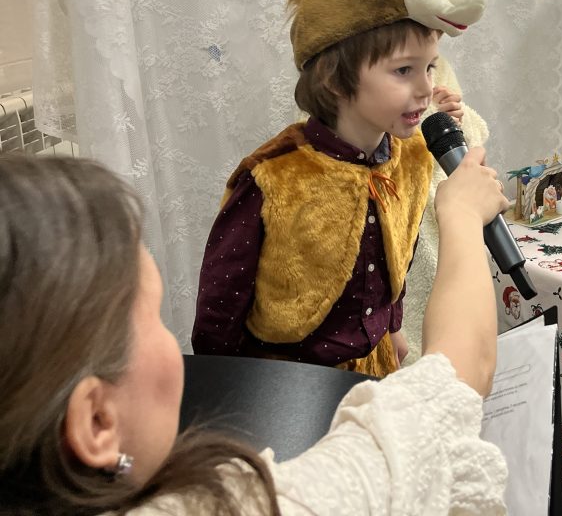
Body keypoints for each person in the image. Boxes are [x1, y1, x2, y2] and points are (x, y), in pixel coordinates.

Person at [0, 152, 510, 514]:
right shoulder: (271, 177)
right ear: (97, 421)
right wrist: (462, 214)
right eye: (154, 316)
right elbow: (456, 383)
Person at [191, 0, 486, 377]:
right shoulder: (271, 178)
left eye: (430, 67)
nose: (427, 89)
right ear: (333, 79)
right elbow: (221, 308)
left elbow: (396, 257)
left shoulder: (411, 159)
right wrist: (228, 394)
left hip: (376, 373)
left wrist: (391, 327)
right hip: (288, 385)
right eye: (403, 70)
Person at [371, 0, 491, 363]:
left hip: (441, 222)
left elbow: (461, 141)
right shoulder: (362, 60)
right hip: (396, 229)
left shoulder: (437, 62)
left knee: (449, 336)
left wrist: (454, 119)